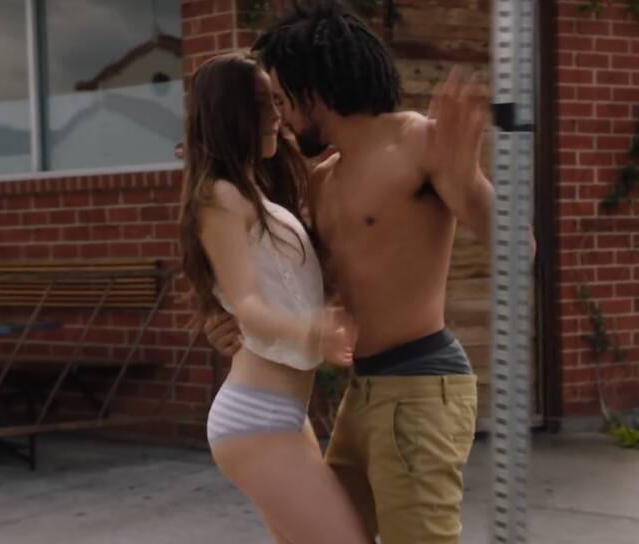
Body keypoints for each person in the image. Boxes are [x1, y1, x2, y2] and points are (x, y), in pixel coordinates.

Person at [205, 2, 497, 542]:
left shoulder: (419, 142)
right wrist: (242, 324)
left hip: (420, 384)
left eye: (281, 99)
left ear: (312, 91)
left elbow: (520, 248)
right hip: (360, 393)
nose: (280, 116)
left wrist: (468, 182)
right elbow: (301, 289)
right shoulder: (321, 180)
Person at [177, 52, 369, 544]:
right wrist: (314, 330)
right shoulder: (221, 197)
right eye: (260, 104)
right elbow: (248, 308)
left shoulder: (255, 193)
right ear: (229, 113)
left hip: (284, 415)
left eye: (275, 102)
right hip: (256, 418)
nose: (275, 116)